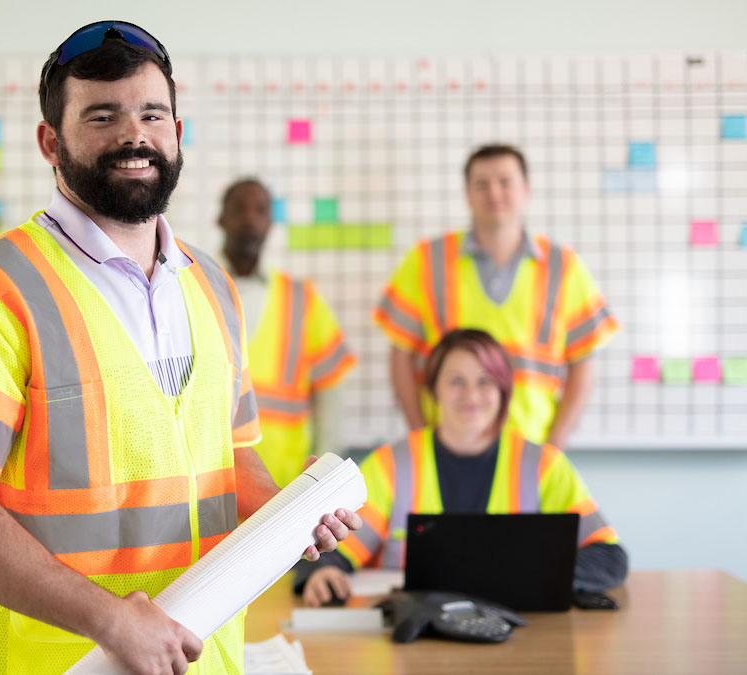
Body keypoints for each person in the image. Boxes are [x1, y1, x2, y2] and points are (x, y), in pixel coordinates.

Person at [0, 21, 362, 675]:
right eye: (102, 115)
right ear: (51, 141)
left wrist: (284, 518)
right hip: (58, 661)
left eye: (151, 113)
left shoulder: (212, 285)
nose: (133, 135)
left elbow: (230, 458)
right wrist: (111, 620)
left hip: (201, 655)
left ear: (177, 133)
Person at [296, 328, 627, 607]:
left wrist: (530, 577)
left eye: (485, 381)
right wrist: (323, 573)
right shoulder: (390, 464)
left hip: (521, 636)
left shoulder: (545, 466)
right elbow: (332, 550)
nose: (471, 394)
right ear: (433, 389)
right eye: (456, 381)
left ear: (502, 391)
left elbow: (608, 556)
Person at [374, 144, 618, 447]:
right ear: (467, 194)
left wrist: (555, 445)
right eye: (481, 183)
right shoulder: (426, 260)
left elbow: (583, 363)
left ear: (526, 190)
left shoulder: (564, 266)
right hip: (448, 449)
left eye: (505, 181)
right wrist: (420, 435)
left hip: (531, 449)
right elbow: (401, 357)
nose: (494, 192)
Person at [216, 178, 355, 485]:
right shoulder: (189, 286)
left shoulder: (302, 300)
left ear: (270, 223)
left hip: (286, 487)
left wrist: (325, 473)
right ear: (221, 219)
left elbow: (330, 393)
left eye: (260, 210)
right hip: (208, 485)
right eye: (239, 208)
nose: (249, 218)